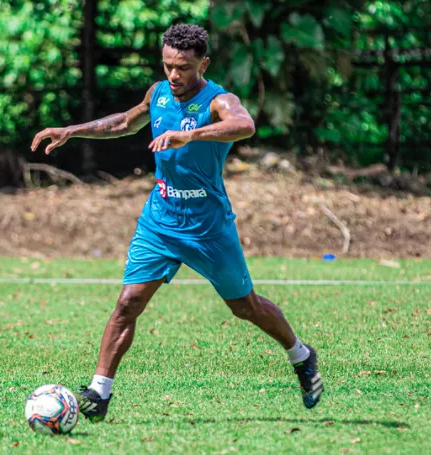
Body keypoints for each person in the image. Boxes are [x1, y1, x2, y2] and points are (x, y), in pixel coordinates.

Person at [30, 23, 323, 422]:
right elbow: (123, 122)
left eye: (183, 67)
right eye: (168, 65)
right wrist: (72, 131)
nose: (174, 75)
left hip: (208, 227)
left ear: (203, 63)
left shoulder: (218, 99)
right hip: (161, 220)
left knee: (245, 307)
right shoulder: (159, 93)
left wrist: (193, 135)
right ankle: (99, 392)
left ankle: (301, 355)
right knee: (128, 302)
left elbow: (245, 125)